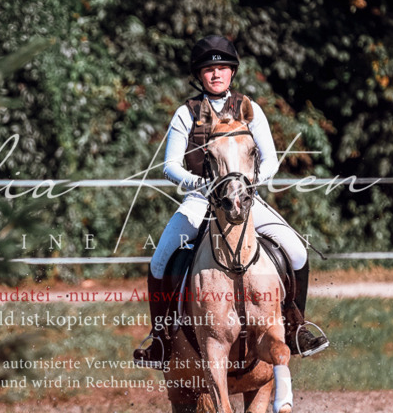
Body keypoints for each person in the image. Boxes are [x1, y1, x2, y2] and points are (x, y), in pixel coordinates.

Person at [134, 34, 329, 369]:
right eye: (208, 69)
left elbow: (270, 158)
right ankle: (161, 339)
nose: (216, 74)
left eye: (222, 67)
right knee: (159, 261)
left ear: (232, 72)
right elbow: (169, 166)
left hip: (246, 199)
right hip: (200, 201)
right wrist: (201, 183)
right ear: (199, 75)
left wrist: (250, 182)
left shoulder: (248, 108)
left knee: (296, 250)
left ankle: (296, 326)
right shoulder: (186, 113)